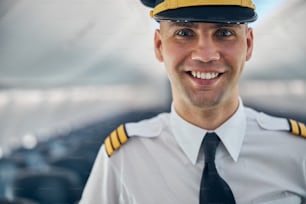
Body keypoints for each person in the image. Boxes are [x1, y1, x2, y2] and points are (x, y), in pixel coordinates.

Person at [79, 0, 306, 203]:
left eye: (225, 33)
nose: (205, 55)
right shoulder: (123, 158)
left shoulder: (296, 151)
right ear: (159, 46)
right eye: (184, 33)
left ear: (249, 44)